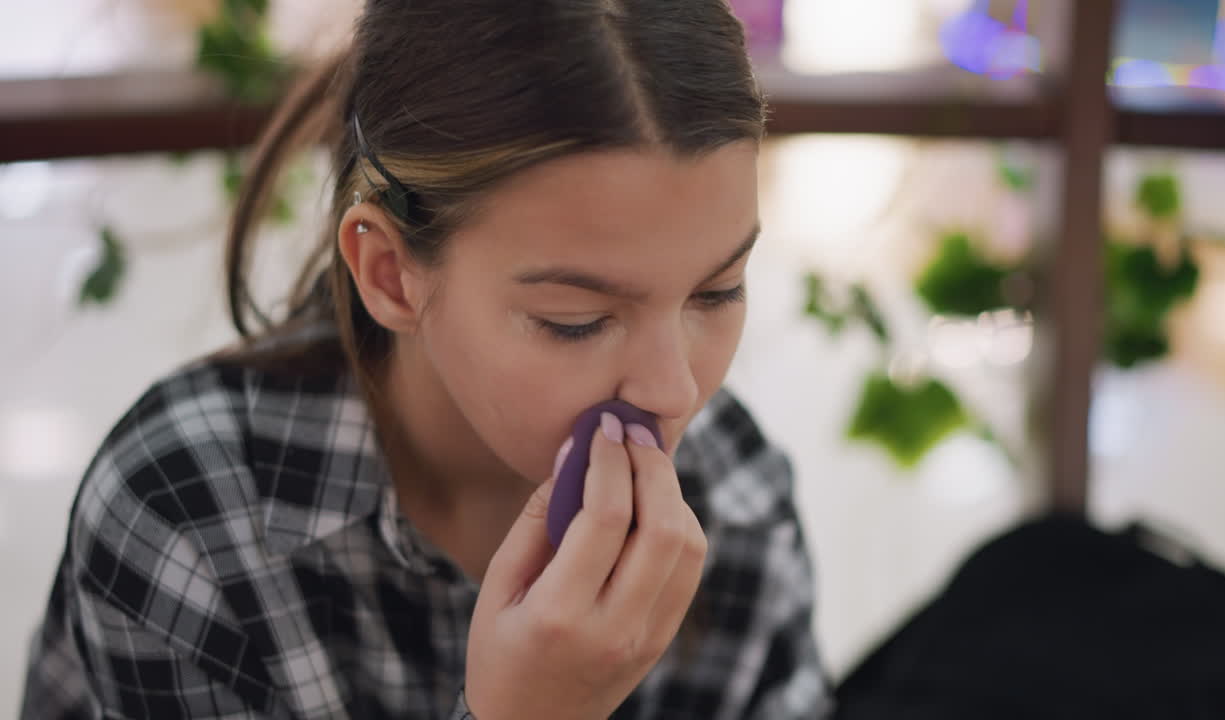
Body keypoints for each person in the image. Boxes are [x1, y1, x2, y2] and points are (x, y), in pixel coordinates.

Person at [22, 1, 832, 717]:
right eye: (576, 321)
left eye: (717, 290)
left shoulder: (739, 499)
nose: (674, 390)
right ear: (390, 274)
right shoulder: (189, 517)